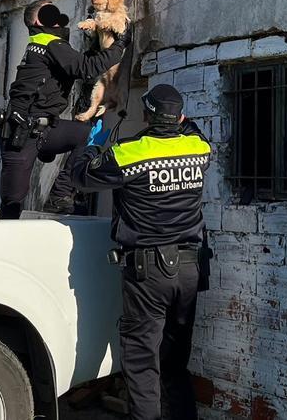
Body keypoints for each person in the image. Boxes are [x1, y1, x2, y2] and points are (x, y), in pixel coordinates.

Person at [69, 84, 210, 420]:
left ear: (146, 116)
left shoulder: (131, 152)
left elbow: (81, 177)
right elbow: (193, 129)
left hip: (148, 275)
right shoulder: (199, 149)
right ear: (180, 117)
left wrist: (91, 142)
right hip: (190, 271)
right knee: (175, 364)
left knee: (143, 365)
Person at [0, 0, 127, 220]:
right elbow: (86, 68)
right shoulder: (50, 44)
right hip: (22, 132)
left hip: (41, 129)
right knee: (12, 201)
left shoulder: (47, 45)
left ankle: (60, 196)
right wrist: (121, 43)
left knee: (87, 136)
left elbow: (82, 61)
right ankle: (2, 244)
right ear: (40, 20)